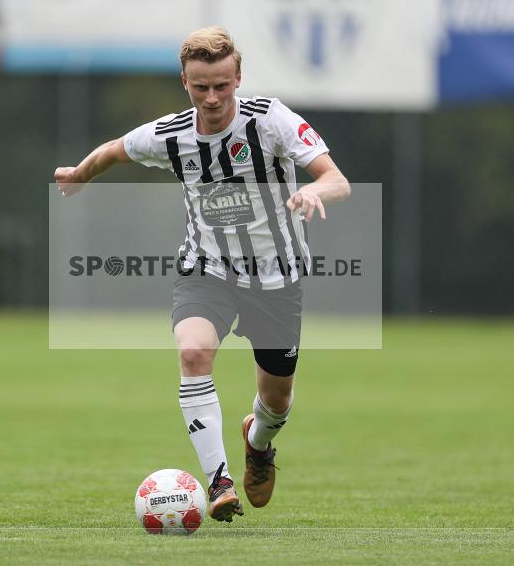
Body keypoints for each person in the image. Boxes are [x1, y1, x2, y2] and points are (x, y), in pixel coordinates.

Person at [55, 26, 349, 522]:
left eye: (221, 85)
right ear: (185, 83)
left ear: (238, 78)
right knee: (193, 353)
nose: (212, 98)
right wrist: (79, 176)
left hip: (277, 279)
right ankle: (219, 483)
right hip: (206, 269)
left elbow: (334, 177)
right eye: (200, 87)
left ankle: (258, 444)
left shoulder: (271, 120)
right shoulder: (171, 135)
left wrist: (315, 192)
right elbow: (114, 150)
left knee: (276, 402)